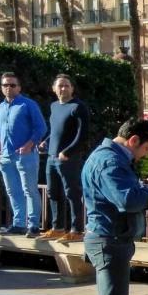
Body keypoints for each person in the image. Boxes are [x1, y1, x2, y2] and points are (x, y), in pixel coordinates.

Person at [81, 118, 148, 295]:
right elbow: (126, 200)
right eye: (146, 148)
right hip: (110, 240)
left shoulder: (107, 157)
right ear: (133, 140)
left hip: (111, 238)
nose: (145, 155)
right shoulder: (111, 161)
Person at [0, 71, 48, 238]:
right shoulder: (0, 107)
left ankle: (33, 226)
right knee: (12, 191)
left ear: (19, 87)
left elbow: (41, 128)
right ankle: (18, 224)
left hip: (26, 155)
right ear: (1, 87)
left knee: (29, 190)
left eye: (12, 85)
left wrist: (29, 145)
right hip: (6, 157)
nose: (9, 88)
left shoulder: (28, 105)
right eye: (5, 85)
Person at [39, 74, 90, 242]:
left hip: (68, 158)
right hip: (51, 157)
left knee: (72, 193)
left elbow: (82, 135)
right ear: (54, 89)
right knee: (53, 193)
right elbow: (54, 131)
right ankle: (58, 228)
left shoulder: (78, 107)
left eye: (67, 86)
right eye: (60, 86)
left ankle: (77, 231)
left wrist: (67, 152)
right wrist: (45, 142)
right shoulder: (54, 106)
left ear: (72, 89)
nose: (63, 88)